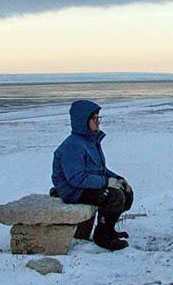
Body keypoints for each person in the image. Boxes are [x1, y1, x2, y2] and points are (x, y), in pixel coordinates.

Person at [51, 100, 134, 251]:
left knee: (126, 193)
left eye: (98, 118)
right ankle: (102, 236)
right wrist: (106, 183)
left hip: (86, 185)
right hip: (73, 190)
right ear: (83, 121)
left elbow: (100, 169)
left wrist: (119, 179)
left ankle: (108, 228)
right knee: (113, 196)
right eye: (94, 118)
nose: (98, 122)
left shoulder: (90, 141)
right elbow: (77, 178)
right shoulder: (72, 146)